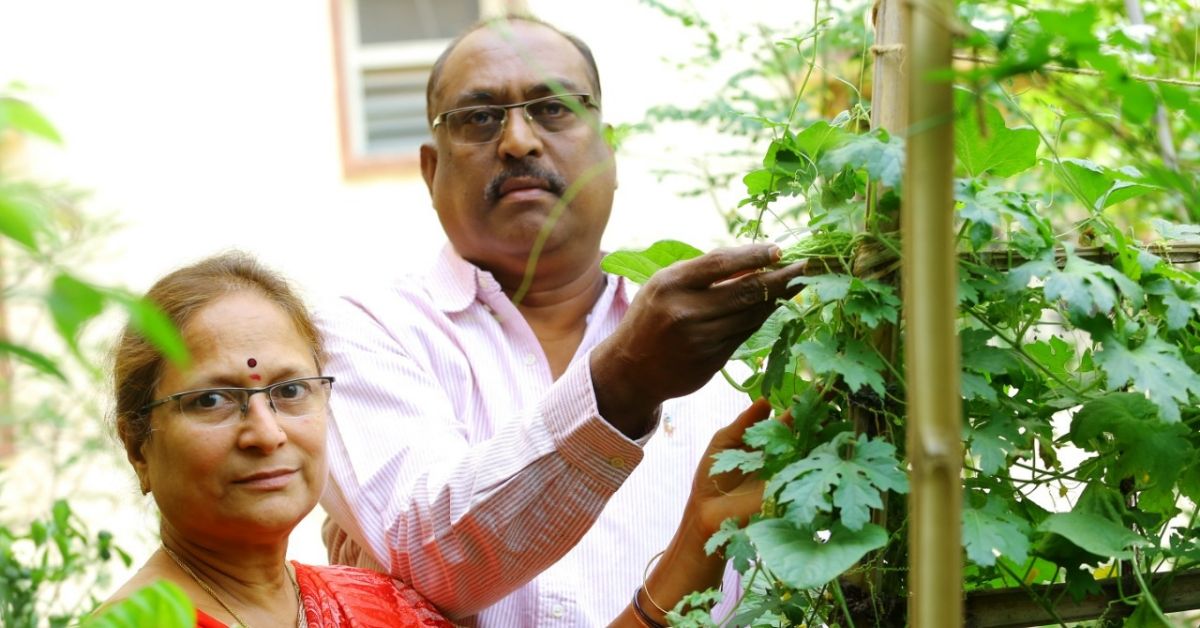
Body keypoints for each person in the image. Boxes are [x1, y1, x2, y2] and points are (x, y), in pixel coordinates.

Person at [317, 14, 807, 626]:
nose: (518, 140)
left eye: (552, 108)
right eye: (479, 117)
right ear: (430, 170)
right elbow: (429, 560)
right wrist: (623, 385)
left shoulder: (738, 337)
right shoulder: (365, 333)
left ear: (610, 151)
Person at [102, 252, 779, 628]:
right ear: (139, 447)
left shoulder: (377, 603)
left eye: (289, 391)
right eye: (213, 400)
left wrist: (698, 540)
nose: (266, 432)